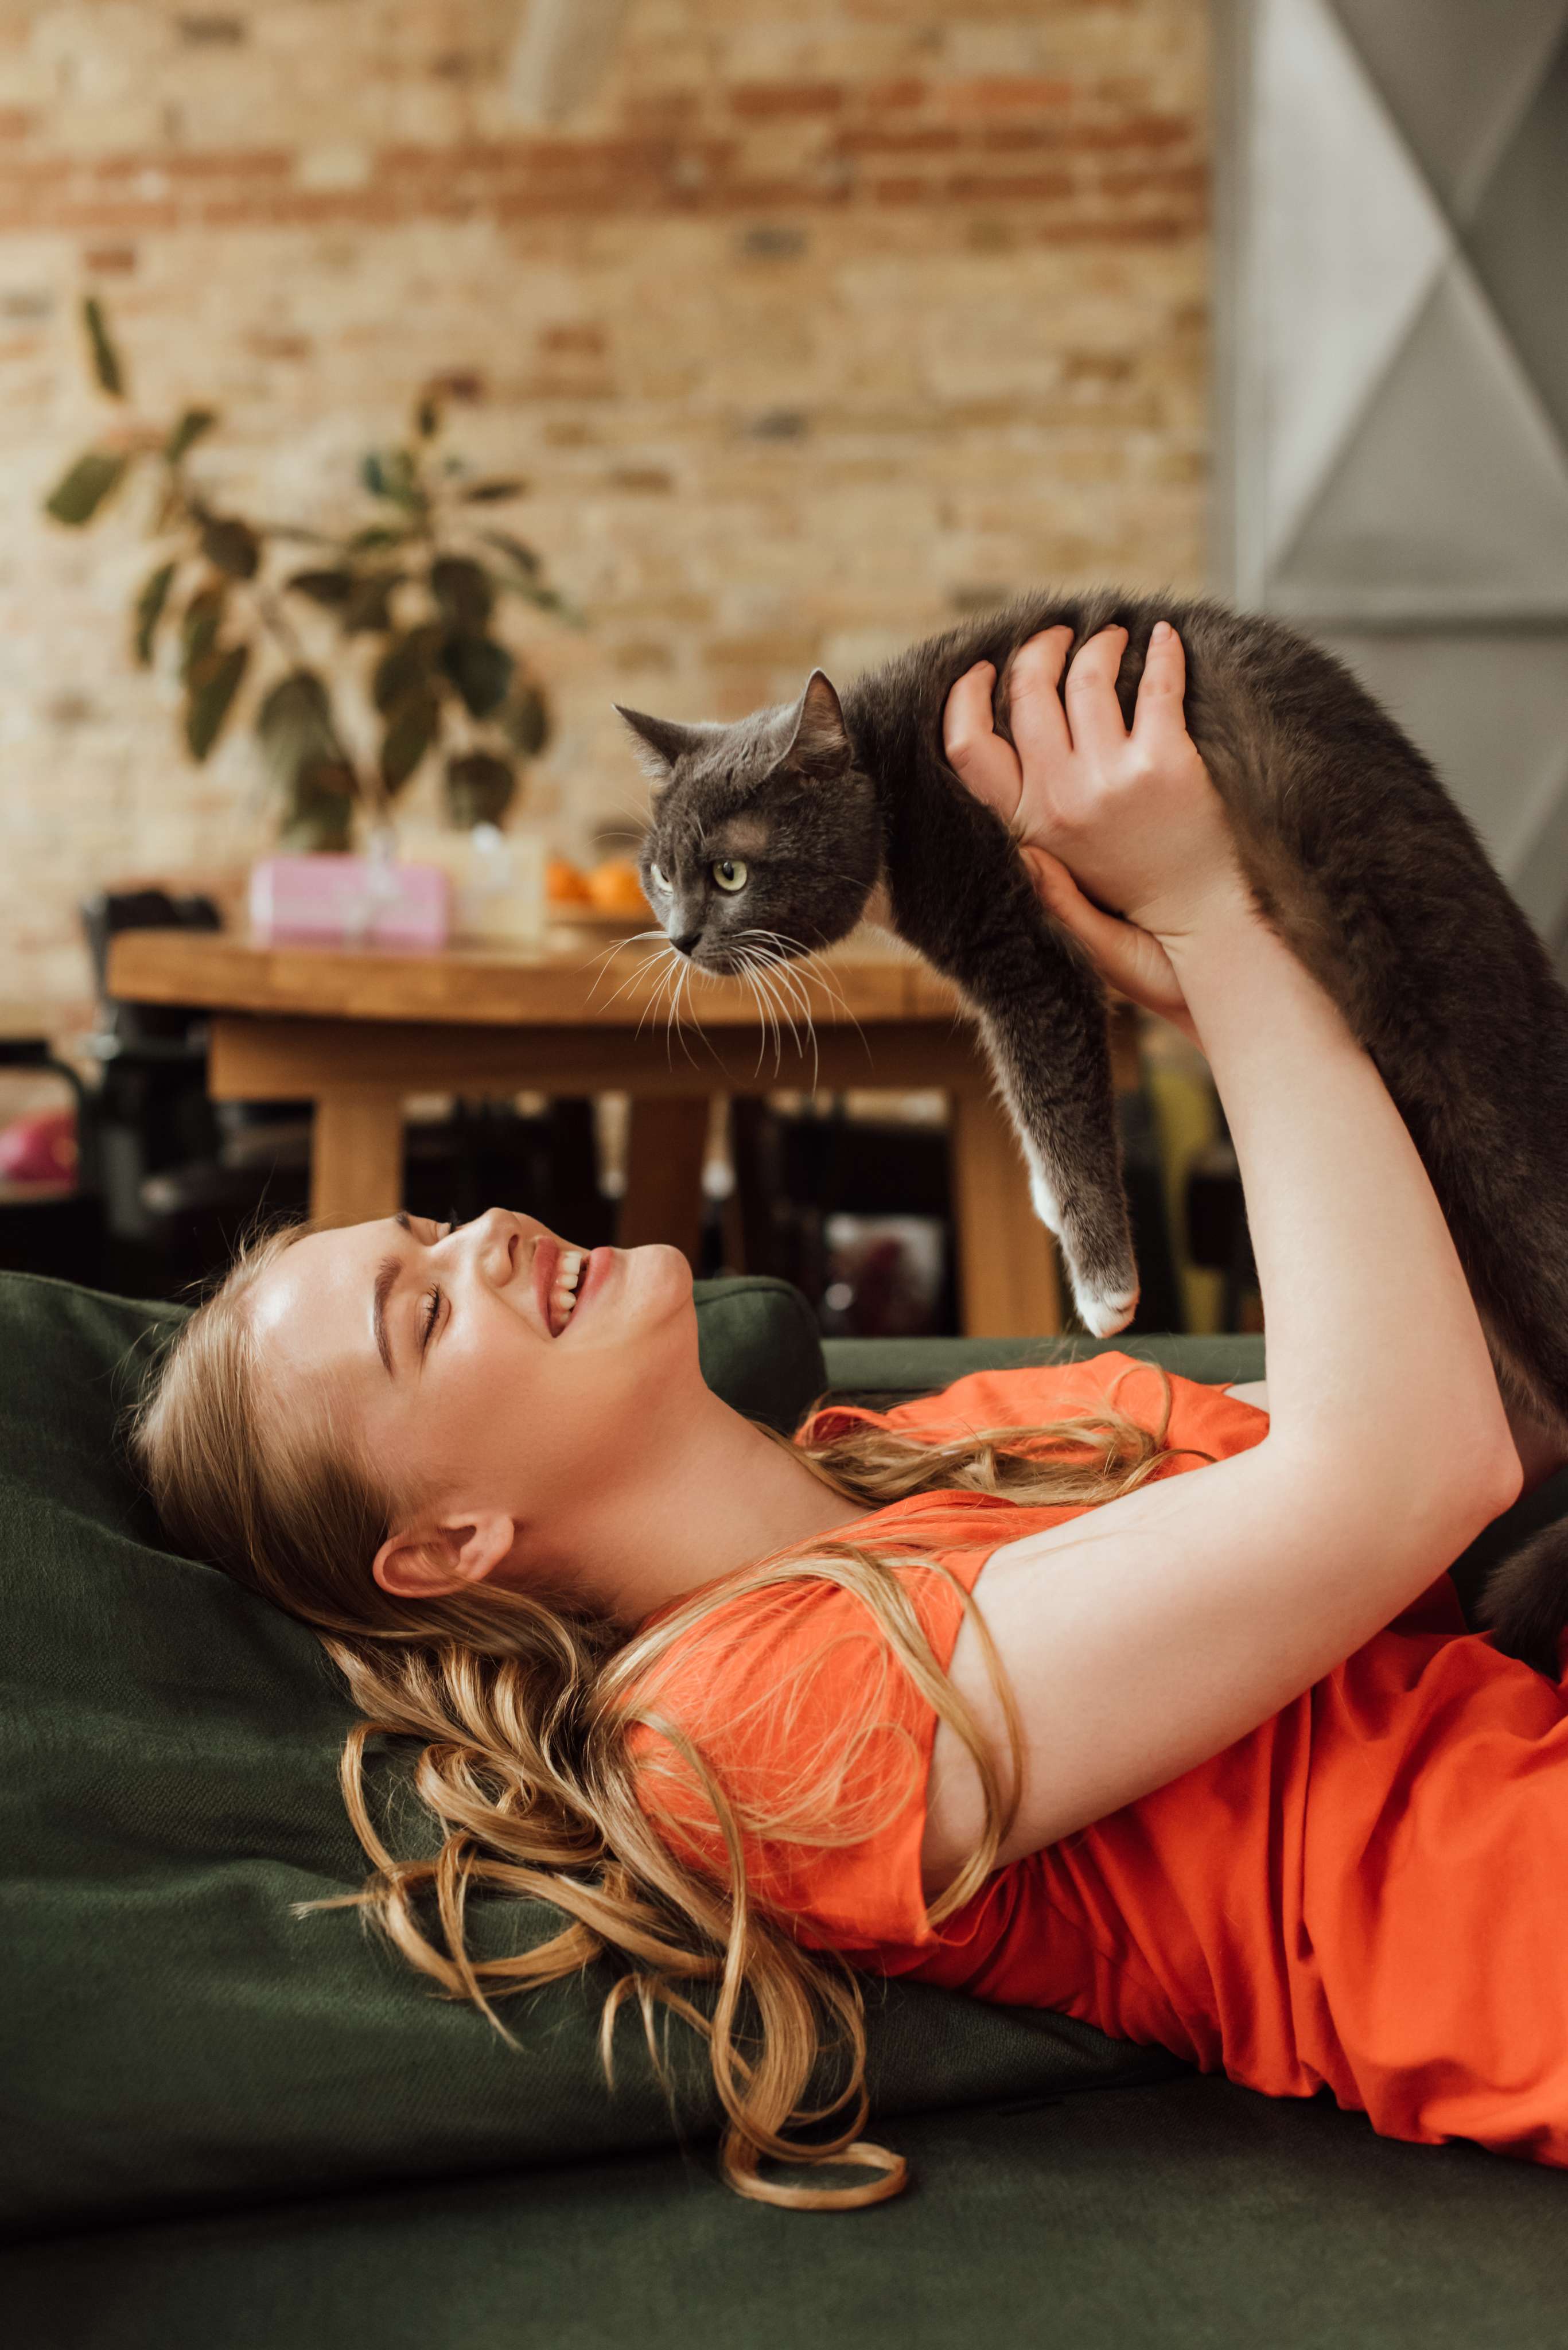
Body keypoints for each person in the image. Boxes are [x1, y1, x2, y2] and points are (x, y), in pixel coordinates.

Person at [134, 624, 1565, 2215]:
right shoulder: (726, 1731)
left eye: (429, 1229)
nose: (480, 1240)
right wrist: (1217, 920)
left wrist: (1206, 976)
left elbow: (1475, 1385)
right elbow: (1416, 1466)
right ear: (450, 1541)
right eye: (422, 1315)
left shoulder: (931, 1446)